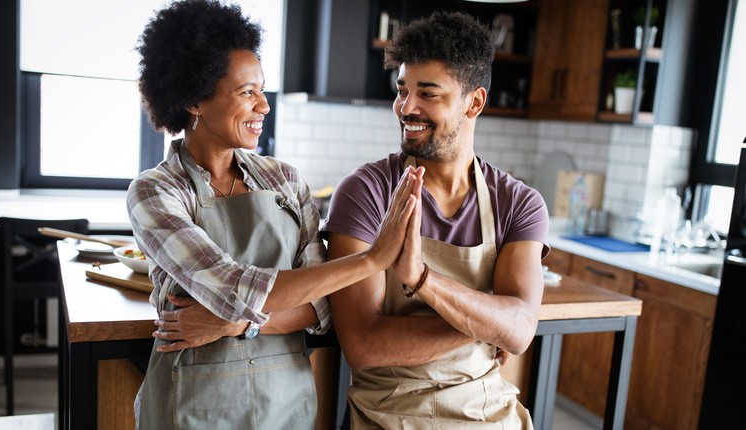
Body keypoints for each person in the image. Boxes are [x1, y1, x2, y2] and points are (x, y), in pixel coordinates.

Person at [127, 1, 422, 428]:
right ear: (194, 99)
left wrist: (231, 327)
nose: (264, 106)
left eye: (262, 90)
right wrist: (370, 261)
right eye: (247, 92)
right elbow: (232, 287)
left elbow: (322, 305)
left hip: (285, 403)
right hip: (192, 405)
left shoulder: (284, 180)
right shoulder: (156, 191)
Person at [322, 11, 550, 429]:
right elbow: (365, 345)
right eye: (402, 90)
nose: (407, 108)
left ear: (474, 102)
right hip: (389, 416)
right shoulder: (365, 192)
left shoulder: (518, 203)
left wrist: (422, 279)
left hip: (488, 414)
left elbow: (519, 331)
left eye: (428, 94)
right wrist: (486, 324)